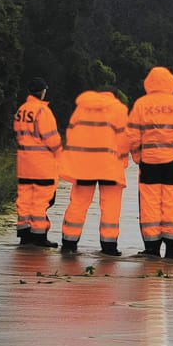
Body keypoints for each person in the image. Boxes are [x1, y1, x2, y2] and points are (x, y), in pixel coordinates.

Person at [127, 66, 173, 260]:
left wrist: (138, 157)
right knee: (171, 203)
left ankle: (152, 249)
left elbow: (132, 135)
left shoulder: (141, 104)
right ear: (171, 82)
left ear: (148, 82)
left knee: (149, 205)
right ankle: (172, 249)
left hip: (149, 162)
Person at [58, 88, 129, 256]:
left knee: (78, 203)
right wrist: (123, 161)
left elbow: (70, 133)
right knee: (110, 205)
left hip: (84, 165)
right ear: (115, 96)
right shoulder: (119, 109)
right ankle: (109, 246)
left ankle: (69, 243)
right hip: (110, 165)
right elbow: (124, 139)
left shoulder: (81, 108)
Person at [14, 77, 61, 247]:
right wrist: (60, 156)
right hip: (42, 165)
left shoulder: (21, 110)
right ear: (42, 92)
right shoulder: (43, 111)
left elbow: (18, 134)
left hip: (24, 164)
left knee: (24, 200)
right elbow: (52, 139)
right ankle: (39, 236)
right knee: (41, 201)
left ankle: (24, 235)